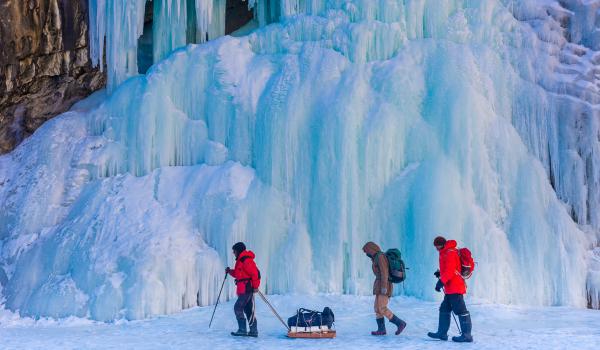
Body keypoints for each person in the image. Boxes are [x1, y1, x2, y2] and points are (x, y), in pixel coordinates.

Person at [427, 236, 473, 342]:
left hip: (455, 287)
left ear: (441, 244)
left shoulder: (450, 252)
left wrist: (441, 282)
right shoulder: (445, 251)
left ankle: (467, 335)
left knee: (460, 310)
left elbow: (451, 271)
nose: (436, 248)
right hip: (450, 288)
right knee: (444, 308)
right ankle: (442, 333)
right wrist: (440, 273)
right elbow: (449, 268)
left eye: (437, 246)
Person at [362, 242, 407, 336]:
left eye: (367, 251)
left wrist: (384, 288)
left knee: (382, 307)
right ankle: (381, 329)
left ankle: (400, 323)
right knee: (377, 308)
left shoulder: (380, 257)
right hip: (380, 285)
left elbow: (384, 272)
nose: (366, 254)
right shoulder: (375, 258)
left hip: (384, 285)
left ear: (371, 249)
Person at [225, 242, 260, 337]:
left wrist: (256, 287)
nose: (233, 253)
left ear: (238, 250)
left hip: (247, 289)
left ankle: (242, 330)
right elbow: (238, 274)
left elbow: (255, 274)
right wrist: (229, 271)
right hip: (243, 289)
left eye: (234, 251)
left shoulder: (246, 260)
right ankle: (253, 331)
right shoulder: (240, 261)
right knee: (248, 310)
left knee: (238, 308)